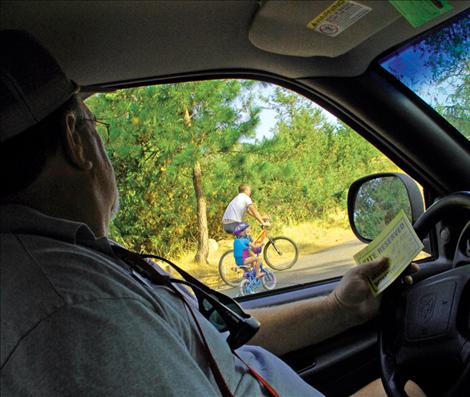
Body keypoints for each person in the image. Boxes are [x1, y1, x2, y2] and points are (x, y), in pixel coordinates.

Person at [0, 30, 422, 396]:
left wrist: (339, 306)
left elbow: (211, 338)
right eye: (96, 127)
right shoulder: (76, 311)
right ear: (76, 140)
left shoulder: (78, 262)